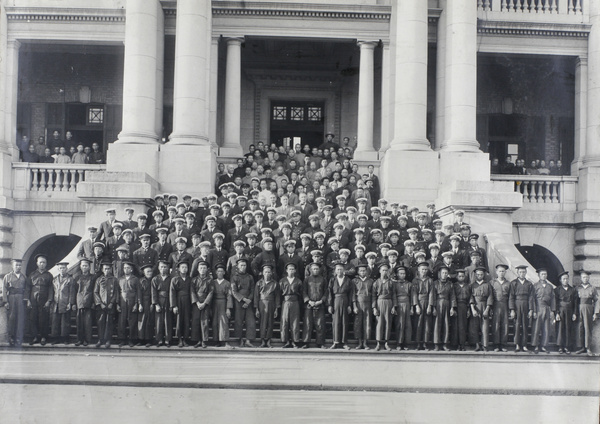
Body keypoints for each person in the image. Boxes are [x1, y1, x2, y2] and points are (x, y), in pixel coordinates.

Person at [2, 259, 30, 346]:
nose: (18, 267)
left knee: (20, 318)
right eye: (16, 265)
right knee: (12, 318)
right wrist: (5, 301)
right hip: (12, 298)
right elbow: (4, 289)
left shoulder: (24, 277)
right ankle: (11, 337)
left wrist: (26, 299)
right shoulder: (8, 276)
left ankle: (18, 338)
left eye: (20, 265)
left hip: (21, 298)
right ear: (12, 266)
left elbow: (27, 289)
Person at [28, 254, 53, 346]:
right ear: (37, 263)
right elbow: (28, 288)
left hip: (44, 300)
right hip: (33, 299)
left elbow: (51, 288)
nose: (42, 264)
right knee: (33, 318)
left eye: (44, 262)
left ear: (46, 264)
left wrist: (49, 300)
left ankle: (43, 337)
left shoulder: (49, 275)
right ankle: (34, 337)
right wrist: (27, 300)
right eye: (40, 262)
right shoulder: (32, 274)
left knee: (44, 319)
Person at [231, 258, 256, 347]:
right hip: (239, 302)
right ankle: (240, 340)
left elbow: (253, 290)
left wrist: (249, 300)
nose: (243, 267)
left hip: (249, 302)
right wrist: (243, 299)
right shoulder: (234, 277)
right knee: (239, 321)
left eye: (244, 265)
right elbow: (234, 291)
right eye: (241, 265)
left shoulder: (250, 277)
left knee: (251, 321)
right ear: (237, 266)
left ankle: (248, 340)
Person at [509, 265, 535, 352]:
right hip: (517, 304)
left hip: (526, 304)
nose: (522, 274)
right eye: (520, 272)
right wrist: (512, 309)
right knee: (516, 325)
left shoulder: (529, 284)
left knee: (525, 325)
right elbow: (511, 297)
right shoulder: (513, 283)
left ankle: (524, 345)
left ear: (526, 273)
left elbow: (531, 297)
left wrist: (531, 309)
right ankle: (517, 345)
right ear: (517, 273)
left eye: (523, 272)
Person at [430, 265, 456, 351]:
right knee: (437, 324)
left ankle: (445, 344)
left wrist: (452, 308)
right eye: (443, 273)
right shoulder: (435, 283)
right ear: (439, 274)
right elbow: (433, 296)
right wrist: (433, 307)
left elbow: (452, 296)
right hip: (438, 303)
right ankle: (436, 344)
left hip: (447, 303)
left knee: (446, 324)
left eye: (446, 273)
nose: (444, 274)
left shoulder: (450, 284)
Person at [302, 262, 328, 349]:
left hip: (320, 305)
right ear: (310, 270)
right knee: (308, 323)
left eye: (317, 269)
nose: (315, 270)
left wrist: (321, 301)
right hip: (309, 305)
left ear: (319, 270)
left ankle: (320, 343)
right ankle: (306, 342)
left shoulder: (323, 280)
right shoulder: (307, 280)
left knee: (320, 324)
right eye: (314, 269)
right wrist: (308, 301)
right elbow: (304, 291)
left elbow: (326, 292)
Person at [328, 262, 353, 350]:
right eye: (338, 269)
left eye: (341, 269)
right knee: (336, 322)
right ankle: (335, 342)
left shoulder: (348, 280)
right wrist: (330, 305)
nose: (339, 271)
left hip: (345, 300)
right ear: (335, 270)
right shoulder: (332, 280)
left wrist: (349, 305)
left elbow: (351, 294)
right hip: (336, 301)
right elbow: (330, 293)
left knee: (344, 322)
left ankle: (344, 342)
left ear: (344, 270)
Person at [254, 264, 280, 348]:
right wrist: (256, 308)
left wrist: (276, 308)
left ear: (271, 273)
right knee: (262, 322)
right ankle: (262, 341)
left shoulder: (275, 283)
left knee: (270, 322)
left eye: (269, 272)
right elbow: (256, 296)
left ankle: (268, 341)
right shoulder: (259, 283)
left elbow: (277, 296)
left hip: (271, 303)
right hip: (262, 303)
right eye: (265, 272)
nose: (267, 274)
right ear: (262, 273)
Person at [94, 262, 119, 348]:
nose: (107, 270)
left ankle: (108, 340)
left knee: (109, 322)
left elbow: (116, 292)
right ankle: (100, 340)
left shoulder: (114, 280)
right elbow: (95, 292)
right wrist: (100, 303)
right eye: (105, 269)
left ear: (111, 269)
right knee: (101, 322)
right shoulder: (99, 279)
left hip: (110, 305)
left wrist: (112, 303)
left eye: (108, 269)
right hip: (101, 305)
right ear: (102, 270)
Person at [531, 268, 556, 353]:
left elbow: (553, 299)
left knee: (546, 328)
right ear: (538, 275)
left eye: (545, 274)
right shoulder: (535, 286)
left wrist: (552, 310)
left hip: (547, 308)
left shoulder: (550, 286)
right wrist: (533, 310)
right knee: (536, 327)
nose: (544, 276)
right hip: (538, 308)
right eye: (542, 274)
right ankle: (536, 346)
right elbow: (532, 299)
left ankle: (543, 345)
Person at [575, 270, 599, 356]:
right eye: (583, 277)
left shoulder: (592, 288)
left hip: (589, 309)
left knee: (588, 328)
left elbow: (596, 301)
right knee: (580, 328)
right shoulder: (578, 288)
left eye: (586, 277)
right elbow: (575, 301)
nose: (585, 279)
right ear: (581, 278)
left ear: (589, 278)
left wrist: (595, 313)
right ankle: (581, 347)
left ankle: (588, 348)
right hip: (579, 308)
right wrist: (574, 312)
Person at [469, 267, 493, 352]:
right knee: (474, 326)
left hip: (484, 306)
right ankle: (477, 345)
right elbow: (471, 297)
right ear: (475, 275)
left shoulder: (487, 285)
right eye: (478, 274)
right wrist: (473, 309)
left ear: (484, 275)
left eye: (481, 274)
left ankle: (485, 345)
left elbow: (490, 297)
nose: (479, 276)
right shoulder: (472, 285)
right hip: (475, 307)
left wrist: (487, 309)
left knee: (485, 327)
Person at [279, 262, 303, 348]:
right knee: (285, 321)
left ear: (295, 270)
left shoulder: (298, 281)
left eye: (293, 269)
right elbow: (279, 293)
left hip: (295, 302)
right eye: (290, 269)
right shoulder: (282, 281)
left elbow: (301, 293)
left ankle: (294, 341)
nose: (291, 271)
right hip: (285, 302)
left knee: (295, 322)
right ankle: (285, 341)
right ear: (286, 270)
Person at [190, 260, 214, 348]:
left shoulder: (210, 280)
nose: (202, 270)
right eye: (201, 268)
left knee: (204, 322)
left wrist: (205, 303)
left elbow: (211, 292)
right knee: (196, 321)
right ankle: (198, 341)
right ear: (198, 269)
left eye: (204, 268)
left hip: (205, 303)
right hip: (196, 303)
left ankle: (204, 341)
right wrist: (197, 302)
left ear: (207, 269)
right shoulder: (194, 280)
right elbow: (192, 292)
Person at [117, 261, 140, 347]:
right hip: (122, 301)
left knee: (132, 321)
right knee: (122, 321)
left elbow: (138, 292)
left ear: (131, 269)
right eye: (125, 268)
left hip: (132, 301)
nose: (126, 269)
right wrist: (117, 304)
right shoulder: (120, 279)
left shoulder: (135, 279)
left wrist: (136, 303)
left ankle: (131, 339)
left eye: (128, 268)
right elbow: (117, 292)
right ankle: (122, 339)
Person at [352, 263, 374, 350]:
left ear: (367, 271)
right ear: (358, 272)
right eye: (361, 271)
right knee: (358, 323)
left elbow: (373, 295)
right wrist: (354, 306)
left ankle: (365, 343)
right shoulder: (354, 281)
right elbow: (353, 294)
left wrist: (373, 306)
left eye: (364, 270)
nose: (362, 272)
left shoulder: (371, 281)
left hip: (368, 304)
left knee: (367, 323)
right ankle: (359, 342)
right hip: (358, 304)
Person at [73, 258, 95, 347]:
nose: (84, 267)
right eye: (83, 266)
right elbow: (74, 291)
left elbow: (94, 290)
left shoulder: (93, 277)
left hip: (89, 303)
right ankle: (79, 339)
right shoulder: (76, 277)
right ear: (80, 267)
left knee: (88, 323)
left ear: (89, 267)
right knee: (79, 323)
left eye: (86, 266)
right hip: (79, 303)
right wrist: (73, 303)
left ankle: (87, 340)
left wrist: (93, 302)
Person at [373, 263, 394, 351]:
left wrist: (393, 307)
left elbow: (394, 295)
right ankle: (378, 343)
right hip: (379, 302)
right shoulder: (376, 282)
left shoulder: (391, 282)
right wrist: (374, 308)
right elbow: (373, 296)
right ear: (379, 271)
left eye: (386, 270)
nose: (384, 272)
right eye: (383, 270)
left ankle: (386, 343)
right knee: (379, 323)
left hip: (389, 302)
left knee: (388, 322)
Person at [554, 271, 577, 354]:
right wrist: (556, 313)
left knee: (568, 328)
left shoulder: (573, 290)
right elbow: (555, 302)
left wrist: (574, 313)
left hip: (570, 311)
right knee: (560, 328)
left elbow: (575, 303)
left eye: (567, 279)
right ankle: (560, 347)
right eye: (564, 279)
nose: (565, 280)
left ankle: (567, 347)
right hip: (561, 311)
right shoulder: (557, 290)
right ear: (560, 280)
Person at [170, 261, 192, 347]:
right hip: (178, 301)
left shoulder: (190, 279)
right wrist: (174, 305)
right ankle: (179, 339)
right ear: (179, 269)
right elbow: (172, 293)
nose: (184, 269)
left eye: (186, 267)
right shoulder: (175, 279)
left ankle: (185, 339)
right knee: (179, 320)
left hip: (187, 301)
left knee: (186, 320)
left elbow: (192, 291)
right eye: (182, 267)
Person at [152, 260, 172, 347]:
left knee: (168, 320)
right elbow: (153, 293)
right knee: (159, 321)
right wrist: (156, 304)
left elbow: (173, 292)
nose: (163, 269)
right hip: (159, 300)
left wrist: (172, 304)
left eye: (165, 267)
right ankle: (159, 339)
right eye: (161, 267)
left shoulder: (171, 278)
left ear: (167, 268)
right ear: (158, 268)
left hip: (168, 300)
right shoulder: (155, 279)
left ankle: (167, 339)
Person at [212, 263, 233, 348]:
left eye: (221, 271)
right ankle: (217, 341)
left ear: (224, 272)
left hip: (223, 303)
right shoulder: (212, 282)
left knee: (224, 322)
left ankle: (225, 341)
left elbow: (229, 296)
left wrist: (228, 308)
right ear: (216, 273)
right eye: (218, 271)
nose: (220, 273)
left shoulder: (227, 283)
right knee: (215, 322)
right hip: (214, 304)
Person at [490, 264, 511, 352]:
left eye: (503, 271)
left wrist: (511, 308)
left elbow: (510, 296)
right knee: (496, 324)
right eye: (500, 271)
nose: (501, 273)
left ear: (505, 272)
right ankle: (496, 345)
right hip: (496, 305)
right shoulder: (492, 282)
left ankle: (503, 344)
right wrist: (490, 307)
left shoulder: (508, 283)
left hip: (505, 305)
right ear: (496, 272)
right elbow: (490, 295)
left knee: (505, 325)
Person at [413, 262, 433, 350]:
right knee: (418, 323)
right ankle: (417, 343)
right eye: (422, 270)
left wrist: (430, 305)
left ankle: (425, 343)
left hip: (427, 301)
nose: (424, 271)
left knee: (427, 324)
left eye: (425, 269)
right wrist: (416, 305)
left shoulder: (430, 280)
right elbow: (414, 293)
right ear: (419, 270)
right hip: (419, 302)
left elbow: (432, 294)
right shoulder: (415, 280)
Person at [452, 269, 471, 351]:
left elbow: (470, 298)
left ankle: (462, 344)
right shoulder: (454, 286)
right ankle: (455, 344)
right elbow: (452, 297)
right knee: (455, 326)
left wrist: (469, 309)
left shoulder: (468, 286)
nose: (461, 278)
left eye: (463, 276)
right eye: (459, 276)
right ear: (457, 277)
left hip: (464, 307)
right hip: (456, 306)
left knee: (462, 326)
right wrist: (453, 308)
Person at [137, 264, 154, 347]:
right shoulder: (141, 281)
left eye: (150, 271)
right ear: (144, 273)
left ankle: (148, 340)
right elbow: (139, 293)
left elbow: (154, 293)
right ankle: (141, 339)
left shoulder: (154, 280)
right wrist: (140, 304)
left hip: (151, 302)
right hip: (143, 302)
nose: (149, 273)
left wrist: (152, 303)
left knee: (149, 321)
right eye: (147, 271)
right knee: (141, 321)